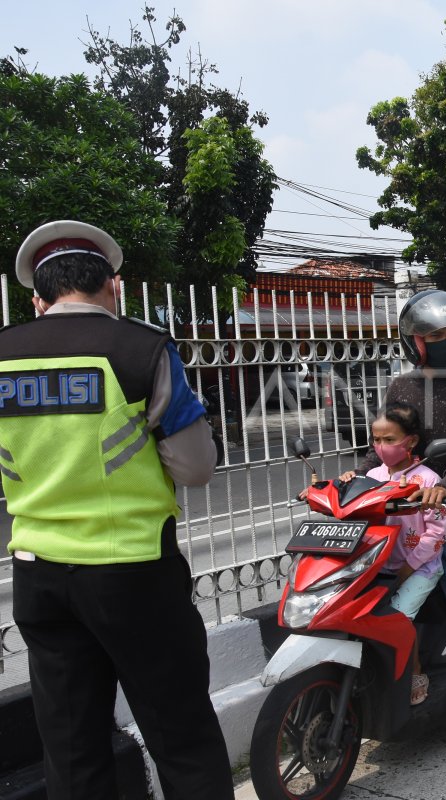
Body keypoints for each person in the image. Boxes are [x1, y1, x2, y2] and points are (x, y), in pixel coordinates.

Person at [3, 221, 232, 799]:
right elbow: (196, 469)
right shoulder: (142, 348)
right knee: (182, 738)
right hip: (133, 573)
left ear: (38, 298)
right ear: (115, 287)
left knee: (72, 751)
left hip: (38, 574)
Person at [353, 289, 446, 773]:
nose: (441, 343)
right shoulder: (401, 387)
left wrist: (444, 487)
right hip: (398, 518)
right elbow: (387, 445)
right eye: (431, 336)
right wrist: (351, 483)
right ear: (413, 342)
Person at [340, 401, 446, 705]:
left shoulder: (428, 480)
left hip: (421, 567)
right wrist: (347, 483)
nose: (381, 446)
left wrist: (406, 571)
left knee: (398, 618)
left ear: (410, 441)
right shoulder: (372, 475)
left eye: (389, 440)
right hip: (379, 564)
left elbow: (437, 535)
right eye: (376, 440)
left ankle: (415, 672)